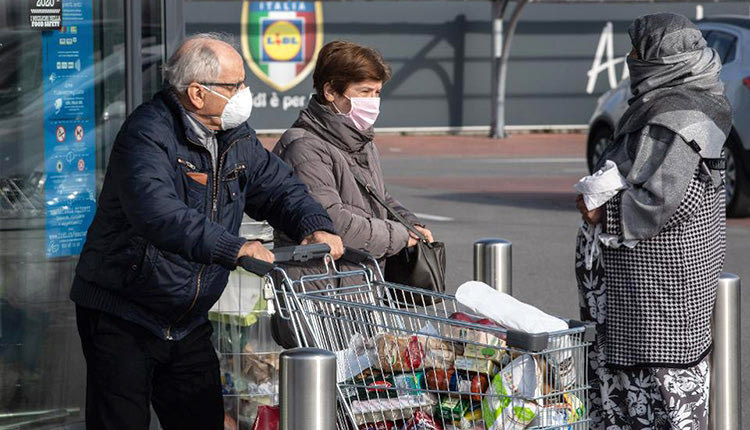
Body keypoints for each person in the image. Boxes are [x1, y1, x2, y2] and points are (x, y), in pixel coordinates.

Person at [69, 33, 343, 429]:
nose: (245, 93)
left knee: (203, 418)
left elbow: (278, 187)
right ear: (198, 93)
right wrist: (234, 248)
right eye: (235, 85)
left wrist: (314, 225)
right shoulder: (148, 133)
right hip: (124, 312)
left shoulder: (236, 136)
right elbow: (158, 212)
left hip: (187, 320)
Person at [575, 13, 732, 430]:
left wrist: (600, 211)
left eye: (638, 50)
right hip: (658, 292)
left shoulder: (675, 116)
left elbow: (664, 199)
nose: (630, 58)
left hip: (656, 299)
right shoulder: (690, 100)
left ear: (662, 59)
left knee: (653, 405)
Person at [270, 41, 434, 348]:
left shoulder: (362, 141)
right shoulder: (304, 146)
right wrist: (400, 236)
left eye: (377, 93)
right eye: (364, 92)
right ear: (331, 92)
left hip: (359, 294)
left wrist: (411, 225)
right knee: (327, 390)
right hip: (319, 300)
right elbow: (332, 222)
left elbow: (380, 196)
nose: (373, 102)